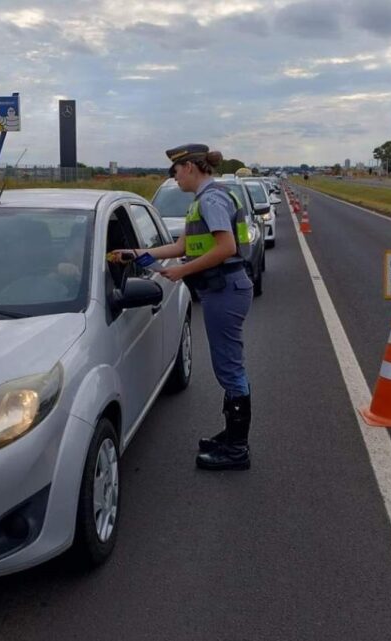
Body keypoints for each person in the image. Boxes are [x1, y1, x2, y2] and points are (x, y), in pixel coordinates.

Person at [110, 143, 253, 471]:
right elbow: (181, 246)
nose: (173, 178)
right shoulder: (203, 201)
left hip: (225, 289)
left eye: (175, 171)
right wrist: (136, 254)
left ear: (190, 167)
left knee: (229, 367)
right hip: (224, 288)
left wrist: (181, 271)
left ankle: (237, 449)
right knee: (227, 365)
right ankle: (231, 437)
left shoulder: (212, 200)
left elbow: (226, 247)